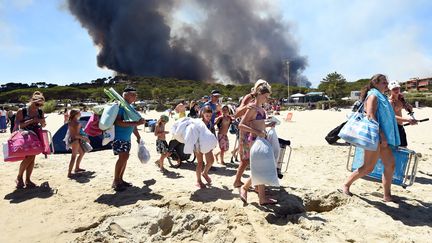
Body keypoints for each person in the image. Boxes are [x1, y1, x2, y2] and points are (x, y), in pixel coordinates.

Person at [342, 74, 400, 202]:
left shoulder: (382, 96)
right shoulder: (373, 95)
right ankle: (346, 185)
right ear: (375, 83)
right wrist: (382, 135)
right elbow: (370, 116)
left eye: (386, 82)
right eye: (384, 82)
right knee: (368, 167)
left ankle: (387, 195)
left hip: (383, 138)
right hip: (376, 137)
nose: (386, 84)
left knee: (390, 165)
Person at [238, 83, 278, 205]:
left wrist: (268, 125)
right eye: (266, 96)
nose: (267, 99)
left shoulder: (261, 108)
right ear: (259, 95)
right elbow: (241, 125)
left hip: (261, 138)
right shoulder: (252, 108)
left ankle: (260, 197)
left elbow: (258, 123)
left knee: (261, 167)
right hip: (254, 139)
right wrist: (257, 132)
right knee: (259, 167)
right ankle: (246, 189)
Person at [233, 79, 269, 188]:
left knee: (248, 159)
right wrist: (246, 107)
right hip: (246, 131)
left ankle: (242, 181)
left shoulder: (260, 100)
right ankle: (238, 181)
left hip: (251, 129)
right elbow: (237, 113)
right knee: (245, 159)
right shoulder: (250, 97)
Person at [112, 86, 145, 192]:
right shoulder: (121, 107)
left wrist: (138, 137)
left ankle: (121, 180)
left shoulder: (129, 108)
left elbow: (133, 126)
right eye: (133, 94)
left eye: (136, 94)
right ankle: (116, 181)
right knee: (123, 158)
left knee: (125, 158)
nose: (135, 96)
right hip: (119, 137)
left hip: (127, 138)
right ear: (125, 95)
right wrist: (137, 123)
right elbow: (118, 122)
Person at [14, 91, 46, 189]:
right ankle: (19, 177)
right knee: (29, 157)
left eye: (40, 104)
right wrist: (32, 120)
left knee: (32, 158)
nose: (38, 106)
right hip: (25, 137)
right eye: (37, 104)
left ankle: (27, 180)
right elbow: (19, 125)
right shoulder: (22, 111)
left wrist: (42, 122)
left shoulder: (40, 111)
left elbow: (44, 125)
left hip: (36, 136)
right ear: (32, 101)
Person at [388, 81, 417, 147]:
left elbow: (409, 109)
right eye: (394, 89)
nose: (396, 90)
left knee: (404, 146)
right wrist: (408, 120)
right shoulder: (390, 102)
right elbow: (392, 117)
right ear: (390, 90)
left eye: (397, 88)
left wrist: (405, 103)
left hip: (401, 126)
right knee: (400, 148)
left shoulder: (400, 99)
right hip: (394, 127)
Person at [195, 106, 215, 189]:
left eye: (210, 116)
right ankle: (198, 180)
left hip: (207, 144)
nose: (209, 117)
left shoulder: (210, 123)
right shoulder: (199, 123)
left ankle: (205, 173)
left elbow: (212, 133)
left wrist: (212, 143)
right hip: (198, 145)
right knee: (200, 163)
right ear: (203, 114)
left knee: (211, 161)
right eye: (207, 116)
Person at [67, 109, 90, 178]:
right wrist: (85, 138)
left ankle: (77, 168)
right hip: (75, 141)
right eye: (79, 113)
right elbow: (76, 135)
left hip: (72, 140)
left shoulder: (71, 121)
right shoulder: (77, 123)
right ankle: (69, 173)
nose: (80, 114)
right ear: (76, 114)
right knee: (73, 157)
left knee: (82, 153)